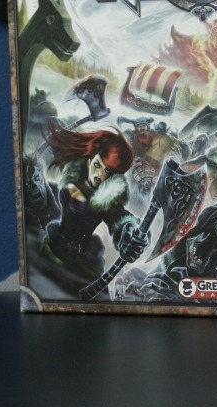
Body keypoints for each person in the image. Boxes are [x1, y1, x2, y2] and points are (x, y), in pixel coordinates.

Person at [37, 124, 149, 293]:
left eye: (107, 172)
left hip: (81, 266)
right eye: (98, 165)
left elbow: (117, 215)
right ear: (90, 161)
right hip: (52, 252)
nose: (99, 175)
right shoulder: (74, 176)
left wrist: (129, 229)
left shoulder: (105, 198)